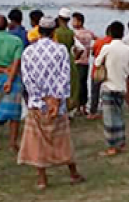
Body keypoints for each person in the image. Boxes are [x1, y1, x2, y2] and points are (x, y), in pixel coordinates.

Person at [18, 16, 85, 190]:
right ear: (53, 31)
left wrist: (41, 98)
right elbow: (65, 76)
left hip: (37, 102)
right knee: (62, 139)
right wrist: (55, 98)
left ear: (39, 31)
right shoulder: (61, 50)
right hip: (57, 103)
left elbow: (27, 79)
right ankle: (73, 173)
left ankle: (42, 179)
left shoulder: (28, 52)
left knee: (38, 140)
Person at [94, 21, 129, 156]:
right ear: (123, 33)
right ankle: (121, 143)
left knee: (109, 118)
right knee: (119, 115)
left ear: (110, 33)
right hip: (122, 85)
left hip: (109, 85)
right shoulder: (128, 50)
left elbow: (97, 62)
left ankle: (112, 146)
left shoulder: (107, 48)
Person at [0, 14, 24, 154]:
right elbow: (17, 61)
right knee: (14, 114)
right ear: (7, 25)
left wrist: (1, 69)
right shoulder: (16, 40)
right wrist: (9, 78)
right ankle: (12, 143)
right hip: (13, 76)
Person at [54, 8, 81, 112]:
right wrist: (75, 58)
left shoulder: (56, 32)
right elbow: (80, 48)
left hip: (58, 59)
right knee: (72, 84)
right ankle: (69, 108)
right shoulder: (71, 32)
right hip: (69, 58)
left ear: (59, 19)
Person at [72, 12, 95, 116]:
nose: (72, 22)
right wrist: (91, 49)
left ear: (79, 22)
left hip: (77, 62)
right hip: (86, 62)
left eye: (74, 20)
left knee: (77, 85)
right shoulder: (89, 32)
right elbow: (98, 40)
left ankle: (77, 108)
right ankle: (84, 107)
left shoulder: (75, 34)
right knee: (84, 85)